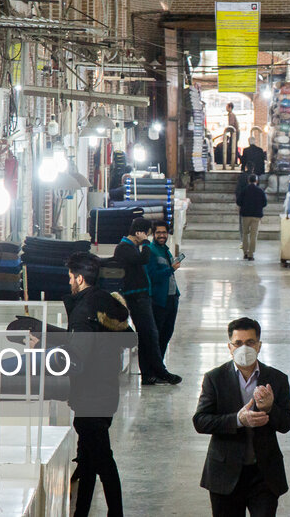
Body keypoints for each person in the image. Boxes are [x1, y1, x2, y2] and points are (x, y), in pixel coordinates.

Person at [193, 317, 290, 516]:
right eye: (238, 343)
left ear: (259, 346)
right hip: (225, 473)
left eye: (250, 343)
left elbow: (287, 423)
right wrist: (238, 420)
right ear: (230, 347)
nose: (244, 348)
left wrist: (270, 408)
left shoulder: (277, 379)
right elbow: (200, 421)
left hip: (264, 475)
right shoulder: (215, 378)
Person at [60, 252, 130, 517]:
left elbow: (78, 358)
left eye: (70, 278)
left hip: (90, 395)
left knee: (102, 460)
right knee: (88, 461)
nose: (69, 283)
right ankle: (81, 513)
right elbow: (127, 339)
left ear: (79, 278)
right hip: (107, 391)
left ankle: (116, 513)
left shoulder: (83, 311)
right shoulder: (106, 302)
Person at [113, 217, 182, 385]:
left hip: (143, 295)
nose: (151, 238)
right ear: (140, 233)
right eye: (150, 234)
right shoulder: (124, 248)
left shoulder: (134, 247)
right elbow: (144, 260)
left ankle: (153, 373)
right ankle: (159, 372)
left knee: (150, 335)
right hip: (136, 297)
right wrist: (145, 243)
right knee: (149, 335)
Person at [147, 220, 181, 358]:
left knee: (167, 333)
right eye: (158, 233)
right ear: (153, 234)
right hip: (160, 299)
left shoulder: (165, 250)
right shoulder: (151, 251)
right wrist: (170, 269)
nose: (162, 235)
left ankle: (160, 364)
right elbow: (152, 276)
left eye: (164, 232)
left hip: (172, 297)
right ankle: (156, 366)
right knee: (158, 335)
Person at [236, 174, 267, 261]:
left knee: (245, 234)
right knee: (254, 235)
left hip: (245, 215)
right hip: (256, 216)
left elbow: (238, 202)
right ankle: (251, 254)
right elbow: (265, 203)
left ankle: (245, 252)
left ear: (248, 181)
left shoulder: (244, 190)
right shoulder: (260, 191)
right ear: (256, 181)